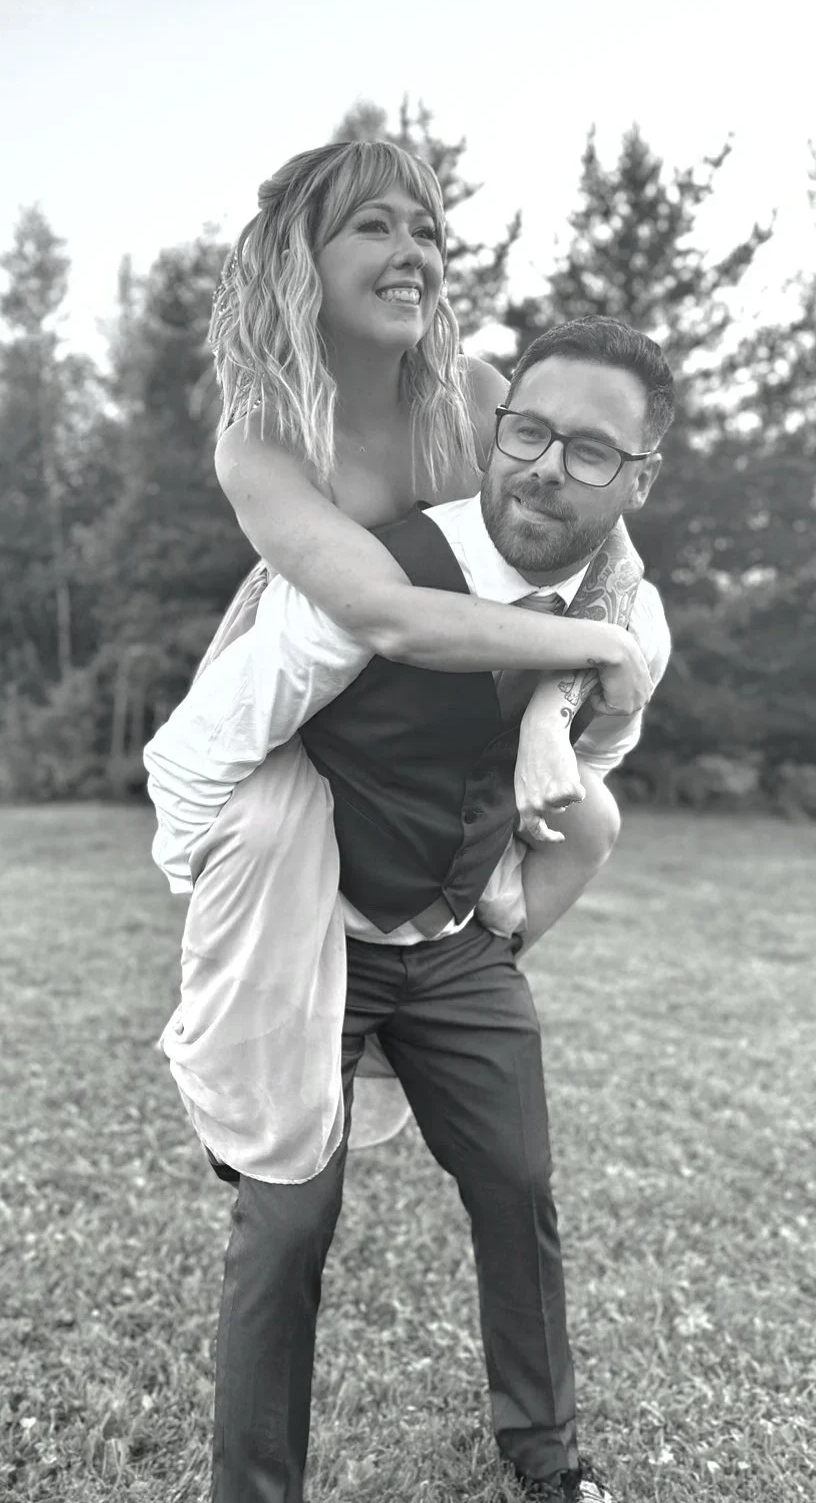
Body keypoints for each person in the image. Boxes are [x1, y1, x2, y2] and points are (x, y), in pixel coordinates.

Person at [145, 314, 674, 1503]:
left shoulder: (629, 624)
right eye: (529, 429)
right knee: (287, 1228)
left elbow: (604, 753)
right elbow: (191, 762)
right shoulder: (371, 574)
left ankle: (544, 1450)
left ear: (641, 479)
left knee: (518, 1178)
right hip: (311, 943)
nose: (546, 465)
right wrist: (242, 935)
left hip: (454, 951)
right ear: (493, 425)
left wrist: (551, 722)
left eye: (592, 451)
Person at [161, 139, 654, 1166]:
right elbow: (384, 614)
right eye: (375, 225)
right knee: (259, 859)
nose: (412, 253)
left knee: (589, 818)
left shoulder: (472, 394)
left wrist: (546, 712)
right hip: (303, 719)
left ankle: (418, 1010)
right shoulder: (261, 437)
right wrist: (592, 645)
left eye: (426, 229)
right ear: (302, 256)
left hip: (440, 715)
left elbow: (607, 557)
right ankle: (235, 1081)